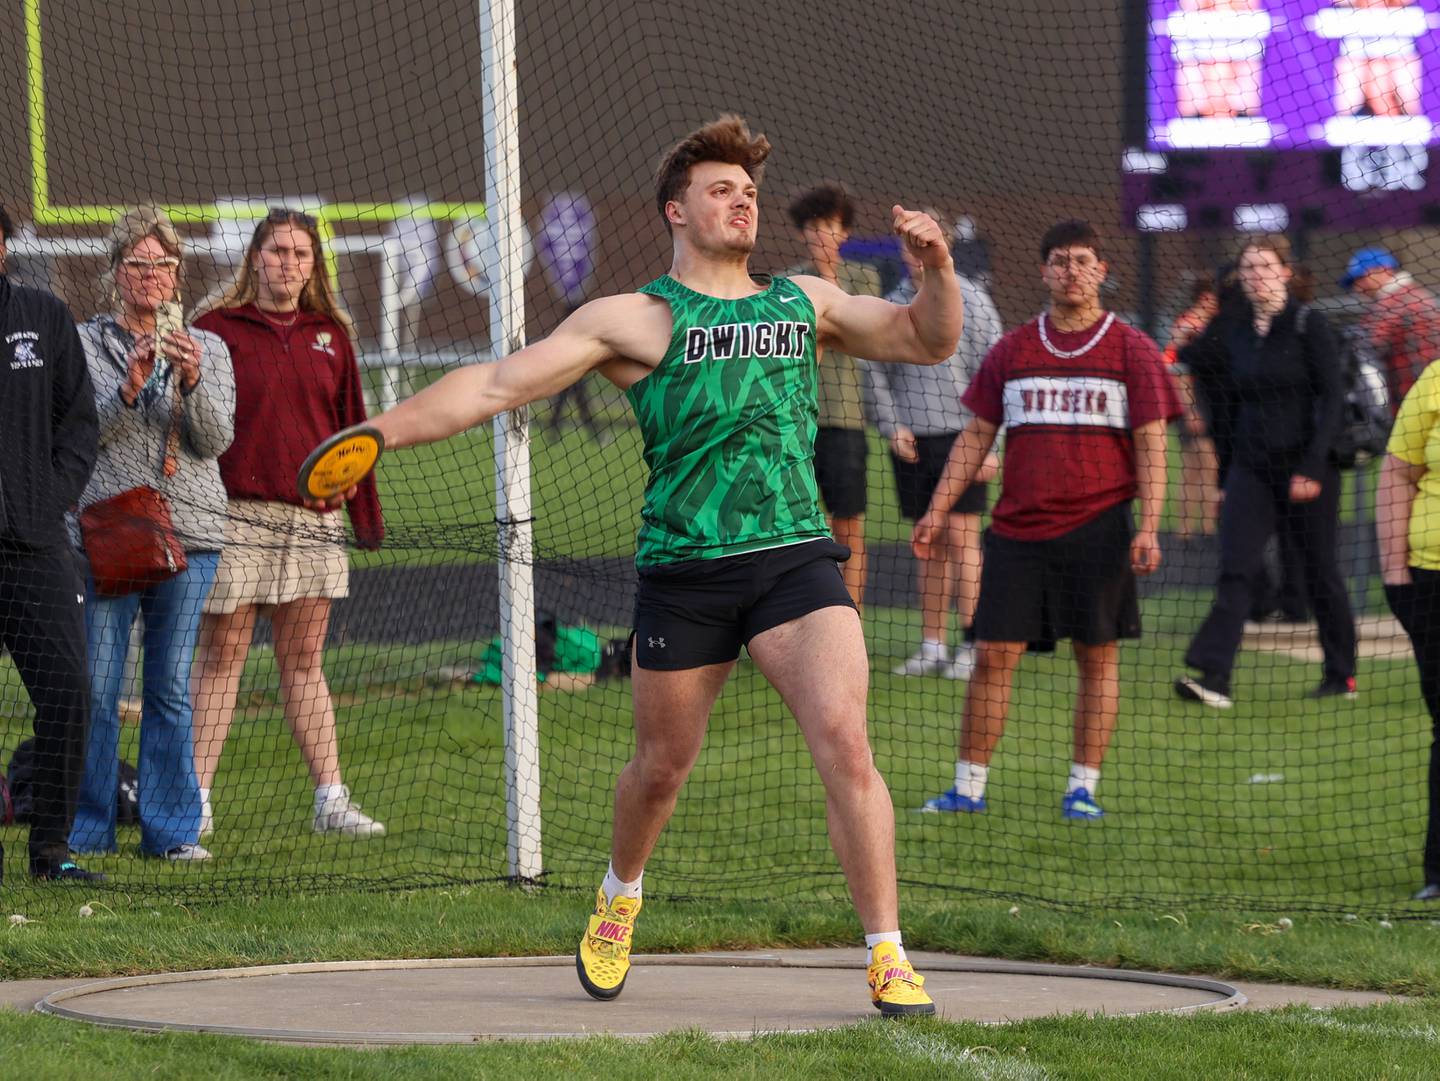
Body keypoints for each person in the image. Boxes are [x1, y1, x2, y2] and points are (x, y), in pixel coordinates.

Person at [311, 117, 963, 1014]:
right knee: (660, 768)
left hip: (793, 560)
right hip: (686, 571)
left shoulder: (801, 301)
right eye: (722, 189)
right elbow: (497, 384)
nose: (743, 200)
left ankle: (887, 952)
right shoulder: (634, 318)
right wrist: (381, 431)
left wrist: (936, 269)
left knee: (846, 739)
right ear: (676, 210)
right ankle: (620, 898)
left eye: (749, 190)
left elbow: (928, 340)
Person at [914, 219, 1178, 820]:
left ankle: (1081, 789)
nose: (1072, 272)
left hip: (1100, 528)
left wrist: (1149, 524)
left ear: (1102, 271)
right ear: (1044, 271)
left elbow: (1153, 446)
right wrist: (937, 509)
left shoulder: (1131, 348)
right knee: (992, 654)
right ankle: (968, 788)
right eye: (1060, 261)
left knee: (1098, 657)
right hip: (1017, 531)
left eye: (1084, 261)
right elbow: (975, 438)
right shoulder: (1013, 349)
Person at [191, 208, 385, 839]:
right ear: (254, 257)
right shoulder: (216, 329)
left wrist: (365, 515)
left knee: (304, 661)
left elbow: (355, 431)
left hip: (312, 521)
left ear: (314, 265)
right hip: (234, 517)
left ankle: (331, 800)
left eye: (302, 254)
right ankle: (193, 801)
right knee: (222, 657)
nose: (289, 264)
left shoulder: (332, 334)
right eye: (277, 251)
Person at [67, 206, 234, 862]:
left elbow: (215, 439)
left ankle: (170, 831)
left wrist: (189, 380)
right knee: (97, 686)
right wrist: (130, 386)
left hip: (189, 534)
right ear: (115, 273)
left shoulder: (210, 348)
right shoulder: (82, 343)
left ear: (178, 274)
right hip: (108, 532)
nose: (150, 277)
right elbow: (80, 433)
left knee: (167, 686)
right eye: (136, 264)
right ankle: (89, 826)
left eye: (162, 265)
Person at [1176, 235, 1356, 708]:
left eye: (1264, 266)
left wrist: (1313, 465)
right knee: (1236, 568)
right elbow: (1195, 366)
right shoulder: (1233, 327)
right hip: (1251, 470)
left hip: (1306, 469)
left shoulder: (1308, 323)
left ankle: (1342, 674)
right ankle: (1215, 677)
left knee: (1320, 573)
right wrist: (1222, 480)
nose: (1255, 275)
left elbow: (1333, 399)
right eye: (1248, 268)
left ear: (1285, 271)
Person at [0, 203, 103, 883]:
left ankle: (50, 850)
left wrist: (48, 496)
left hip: (35, 547)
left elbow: (80, 421)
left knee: (70, 691)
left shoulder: (43, 314)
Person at [870, 211, 1002, 679]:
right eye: (904, 246)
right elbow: (876, 374)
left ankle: (971, 644)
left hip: (965, 439)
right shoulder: (892, 302)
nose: (911, 256)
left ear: (940, 246)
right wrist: (892, 428)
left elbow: (996, 371)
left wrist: (992, 445)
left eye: (919, 244)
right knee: (927, 544)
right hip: (912, 442)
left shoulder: (973, 300)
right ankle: (932, 646)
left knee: (964, 541)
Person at [787, 183, 883, 608]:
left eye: (829, 226)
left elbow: (860, 331)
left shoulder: (863, 278)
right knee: (800, 528)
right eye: (813, 226)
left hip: (845, 421)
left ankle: (852, 619)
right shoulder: (788, 282)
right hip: (797, 422)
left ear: (844, 232)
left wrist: (827, 281)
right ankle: (804, 615)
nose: (820, 234)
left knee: (849, 528)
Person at [1377, 360, 1440, 902]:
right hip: (1431, 577)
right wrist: (1395, 574)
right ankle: (1439, 872)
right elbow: (1397, 472)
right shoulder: (1436, 378)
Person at [1345, 246, 1440, 410]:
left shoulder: (1397, 302)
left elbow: (1373, 346)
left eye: (1361, 278)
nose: (1358, 288)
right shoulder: (1411, 296)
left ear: (1383, 270)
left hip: (1416, 400)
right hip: (1418, 399)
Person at [1164, 278, 1221, 540]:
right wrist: (1190, 409)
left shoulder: (1208, 325)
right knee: (1205, 466)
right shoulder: (1188, 326)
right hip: (1194, 400)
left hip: (1205, 399)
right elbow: (1178, 373)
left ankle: (1192, 530)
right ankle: (1198, 530)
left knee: (1198, 468)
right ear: (1205, 297)